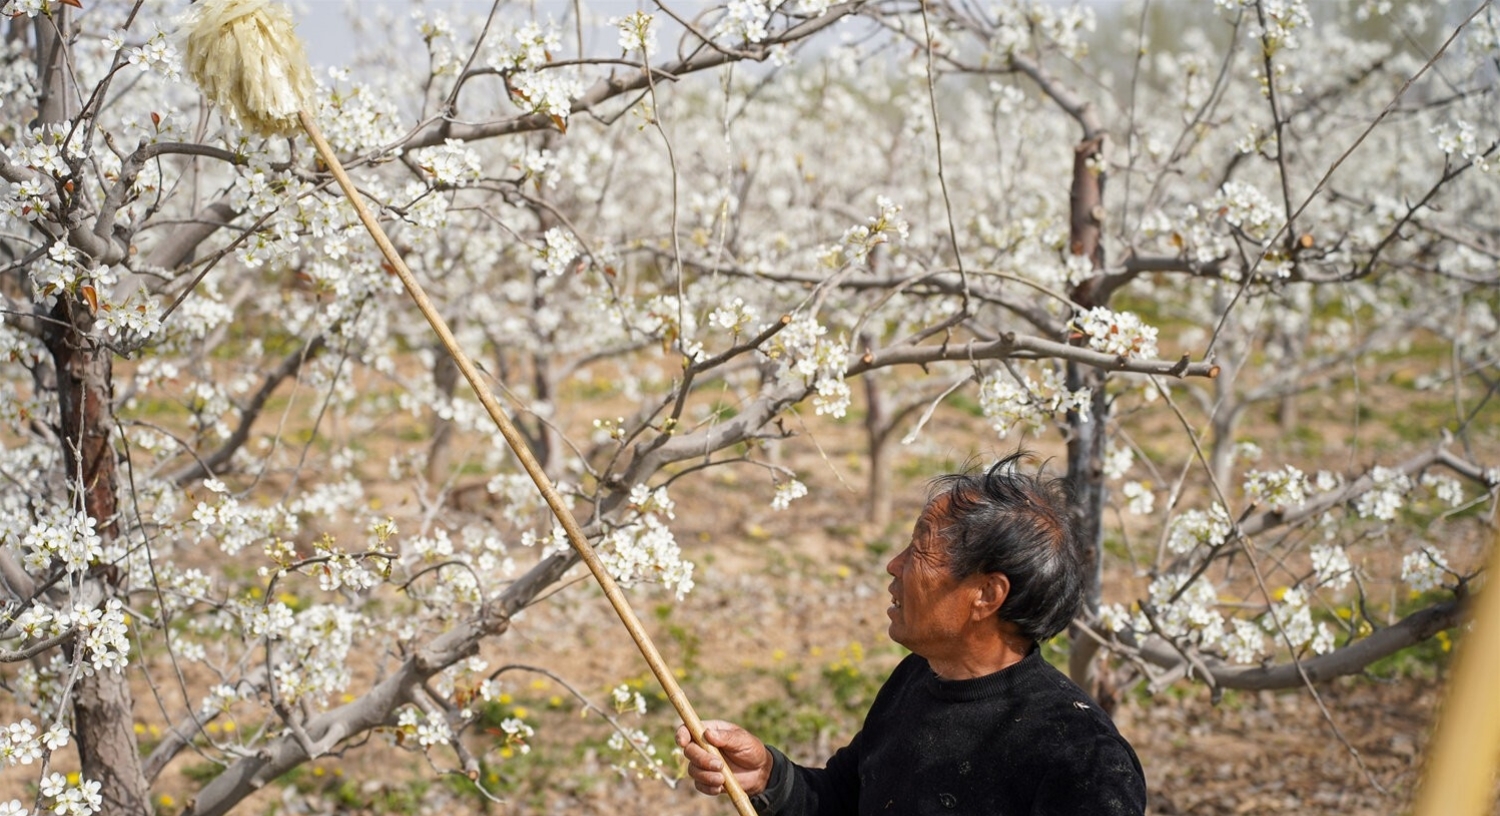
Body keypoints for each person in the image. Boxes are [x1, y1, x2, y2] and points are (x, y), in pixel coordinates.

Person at [678, 452, 1147, 815]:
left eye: (919, 551)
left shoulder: (1082, 759)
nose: (894, 565)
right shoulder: (917, 680)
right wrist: (766, 776)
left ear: (986, 594)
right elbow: (845, 801)